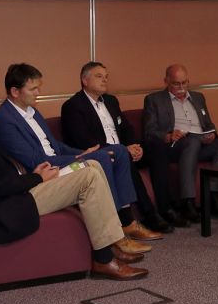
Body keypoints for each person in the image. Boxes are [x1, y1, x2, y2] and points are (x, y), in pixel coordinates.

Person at [0, 68, 147, 280]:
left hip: (16, 191)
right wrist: (38, 177)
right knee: (89, 175)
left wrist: (38, 175)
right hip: (8, 204)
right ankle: (104, 259)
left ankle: (111, 245)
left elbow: (0, 175)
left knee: (93, 166)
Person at [0, 62, 161, 245]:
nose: (38, 92)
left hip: (57, 161)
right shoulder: (4, 121)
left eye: (38, 87)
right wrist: (79, 158)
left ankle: (127, 221)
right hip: (46, 172)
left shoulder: (32, 111)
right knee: (102, 157)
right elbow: (36, 160)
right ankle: (118, 228)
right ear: (15, 91)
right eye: (33, 89)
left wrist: (83, 152)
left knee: (119, 150)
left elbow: (56, 146)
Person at [61, 61, 183, 233]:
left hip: (123, 149)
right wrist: (125, 150)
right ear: (85, 80)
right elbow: (83, 141)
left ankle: (165, 207)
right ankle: (149, 215)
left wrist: (133, 145)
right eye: (99, 76)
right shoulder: (73, 106)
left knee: (157, 147)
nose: (104, 80)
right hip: (102, 155)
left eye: (106, 77)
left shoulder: (111, 101)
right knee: (123, 157)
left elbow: (126, 128)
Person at [141, 64, 218, 221]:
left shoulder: (198, 97)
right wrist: (168, 135)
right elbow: (149, 131)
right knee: (192, 142)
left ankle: (214, 196)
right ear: (166, 81)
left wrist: (212, 134)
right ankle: (188, 202)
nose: (181, 87)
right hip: (176, 146)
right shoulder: (154, 100)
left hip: (200, 143)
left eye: (184, 83)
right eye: (176, 83)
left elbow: (209, 125)